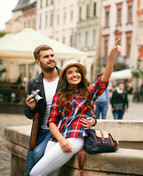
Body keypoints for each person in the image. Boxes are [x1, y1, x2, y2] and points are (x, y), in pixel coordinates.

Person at [30, 39, 121, 176]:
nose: (74, 75)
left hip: (75, 136)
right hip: (56, 138)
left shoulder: (89, 92)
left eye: (77, 71)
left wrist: (111, 57)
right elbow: (52, 122)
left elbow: (104, 79)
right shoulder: (59, 96)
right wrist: (61, 140)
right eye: (70, 72)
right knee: (52, 174)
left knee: (35, 173)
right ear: (65, 77)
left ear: (81, 75)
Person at [24, 44, 96, 175]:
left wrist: (93, 120)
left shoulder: (67, 76)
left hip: (60, 129)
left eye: (52, 55)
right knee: (28, 169)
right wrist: (31, 108)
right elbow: (28, 114)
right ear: (38, 62)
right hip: (39, 130)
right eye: (46, 57)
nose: (51, 58)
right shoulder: (34, 82)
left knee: (39, 156)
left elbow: (85, 101)